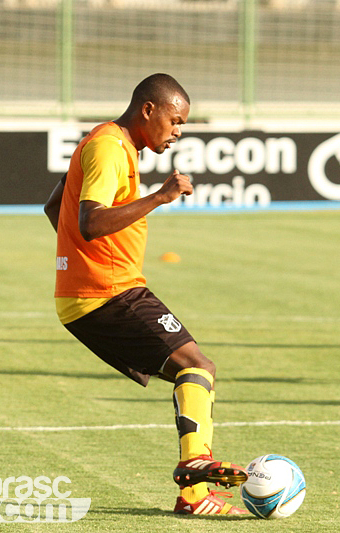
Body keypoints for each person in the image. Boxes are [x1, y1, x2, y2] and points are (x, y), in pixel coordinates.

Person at [43, 73, 248, 516]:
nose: (177, 132)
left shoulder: (112, 145)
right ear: (149, 110)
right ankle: (194, 476)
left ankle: (193, 493)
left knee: (192, 369)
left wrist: (79, 259)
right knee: (197, 365)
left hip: (96, 290)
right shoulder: (107, 148)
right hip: (108, 292)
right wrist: (160, 196)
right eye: (175, 121)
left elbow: (52, 206)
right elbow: (90, 222)